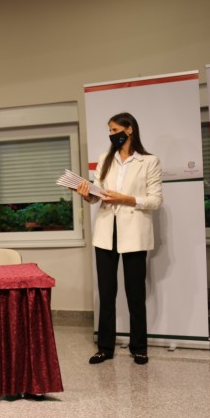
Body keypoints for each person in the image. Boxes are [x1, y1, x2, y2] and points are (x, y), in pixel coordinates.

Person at [75, 112, 162, 366]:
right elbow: (97, 195)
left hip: (134, 232)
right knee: (106, 293)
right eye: (110, 131)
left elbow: (155, 200)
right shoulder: (105, 158)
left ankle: (139, 347)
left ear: (129, 129)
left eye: (115, 130)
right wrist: (86, 194)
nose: (111, 135)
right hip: (106, 232)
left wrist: (126, 199)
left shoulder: (149, 161)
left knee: (135, 293)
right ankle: (105, 348)